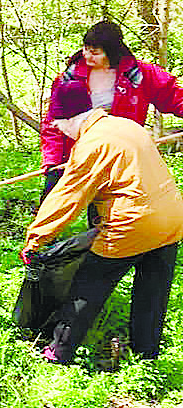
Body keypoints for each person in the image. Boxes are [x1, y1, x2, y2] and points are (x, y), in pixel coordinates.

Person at [23, 80, 183, 365]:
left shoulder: (91, 145)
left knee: (88, 285)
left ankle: (59, 352)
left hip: (132, 224)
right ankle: (146, 355)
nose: (59, 130)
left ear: (71, 118)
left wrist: (36, 238)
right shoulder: (127, 125)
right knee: (152, 292)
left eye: (59, 124)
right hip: (172, 219)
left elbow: (67, 197)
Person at [40, 20, 183, 200]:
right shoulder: (69, 80)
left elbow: (173, 96)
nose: (87, 56)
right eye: (85, 49)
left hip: (118, 154)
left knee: (105, 211)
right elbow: (54, 122)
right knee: (51, 204)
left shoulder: (139, 75)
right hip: (76, 155)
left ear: (112, 51)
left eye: (95, 52)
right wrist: (52, 159)